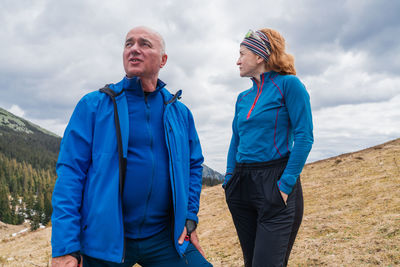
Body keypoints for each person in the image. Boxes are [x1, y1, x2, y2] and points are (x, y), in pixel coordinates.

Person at [51, 26, 212, 267]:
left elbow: (193, 165)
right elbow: (70, 175)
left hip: (164, 238)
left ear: (163, 60)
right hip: (103, 242)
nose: (134, 49)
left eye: (144, 44)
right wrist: (66, 248)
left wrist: (189, 220)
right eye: (128, 44)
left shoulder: (179, 112)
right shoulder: (94, 106)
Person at [223, 28, 313, 267]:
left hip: (275, 181)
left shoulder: (290, 85)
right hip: (241, 184)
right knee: (251, 262)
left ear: (260, 56)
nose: (238, 60)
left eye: (242, 54)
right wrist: (229, 180)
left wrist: (285, 185)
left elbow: (304, 137)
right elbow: (236, 140)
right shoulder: (242, 98)